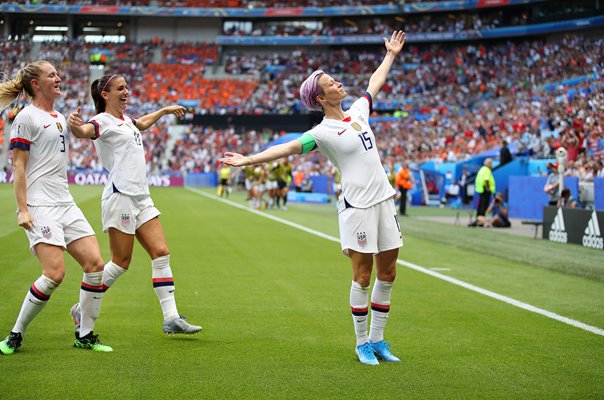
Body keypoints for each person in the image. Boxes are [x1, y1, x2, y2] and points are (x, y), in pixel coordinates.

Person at [220, 31, 407, 365]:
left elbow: (374, 83)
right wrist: (248, 159)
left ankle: (379, 340)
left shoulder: (359, 112)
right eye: (331, 83)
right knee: (362, 277)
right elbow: (288, 148)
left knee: (388, 273)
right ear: (321, 98)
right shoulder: (320, 133)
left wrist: (390, 54)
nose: (338, 83)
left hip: (384, 200)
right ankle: (362, 342)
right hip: (358, 207)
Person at [66, 73, 202, 335]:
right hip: (120, 196)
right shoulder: (101, 121)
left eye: (127, 87)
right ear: (105, 94)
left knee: (161, 252)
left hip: (142, 196)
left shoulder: (126, 121)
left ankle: (171, 318)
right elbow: (84, 132)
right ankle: (81, 309)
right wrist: (74, 125)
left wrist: (163, 111)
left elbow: (141, 123)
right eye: (120, 88)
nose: (127, 91)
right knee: (120, 262)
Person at [0, 60, 112, 354]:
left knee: (95, 265)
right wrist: (23, 209)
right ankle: (16, 333)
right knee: (54, 274)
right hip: (40, 204)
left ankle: (84, 333)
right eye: (52, 75)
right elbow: (19, 168)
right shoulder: (26, 117)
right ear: (36, 84)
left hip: (65, 201)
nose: (59, 78)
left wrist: (76, 126)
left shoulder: (60, 116)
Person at [469, 158, 495, 227]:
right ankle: (481, 220)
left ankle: (479, 219)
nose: (491, 165)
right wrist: (487, 188)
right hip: (485, 190)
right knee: (483, 206)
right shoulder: (487, 170)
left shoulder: (482, 169)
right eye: (491, 163)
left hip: (480, 190)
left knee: (481, 205)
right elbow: (486, 180)